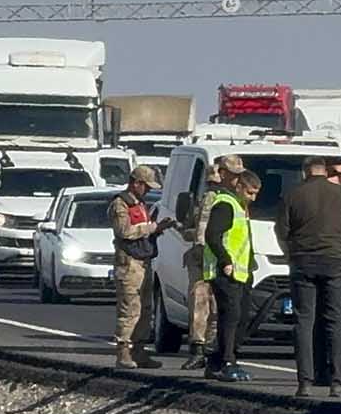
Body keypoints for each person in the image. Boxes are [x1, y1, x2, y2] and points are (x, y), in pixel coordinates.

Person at [276, 156, 341, 397]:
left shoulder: (293, 195)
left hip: (303, 261)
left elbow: (282, 230)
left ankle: (304, 382)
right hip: (334, 261)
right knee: (335, 321)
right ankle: (337, 380)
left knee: (303, 321)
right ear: (326, 171)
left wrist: (291, 254)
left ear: (304, 172)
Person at [109, 165, 174, 370]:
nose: (147, 190)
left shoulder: (141, 204)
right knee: (130, 309)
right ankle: (124, 350)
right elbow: (125, 231)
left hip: (143, 261)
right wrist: (152, 227)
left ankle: (139, 349)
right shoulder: (121, 204)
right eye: (145, 186)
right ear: (136, 183)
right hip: (128, 263)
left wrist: (158, 229)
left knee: (145, 308)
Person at [181, 155, 241, 370]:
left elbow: (202, 233)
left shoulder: (214, 198)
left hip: (210, 257)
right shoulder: (218, 198)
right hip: (212, 257)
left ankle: (203, 350)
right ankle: (205, 349)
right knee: (208, 306)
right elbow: (198, 230)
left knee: (206, 306)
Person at [203, 159, 260, 381]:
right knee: (231, 316)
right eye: (250, 193)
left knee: (242, 317)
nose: (252, 198)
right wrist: (225, 261)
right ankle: (227, 361)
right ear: (239, 187)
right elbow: (212, 236)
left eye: (256, 194)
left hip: (240, 272)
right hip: (225, 271)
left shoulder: (238, 207)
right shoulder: (225, 204)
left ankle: (216, 361)